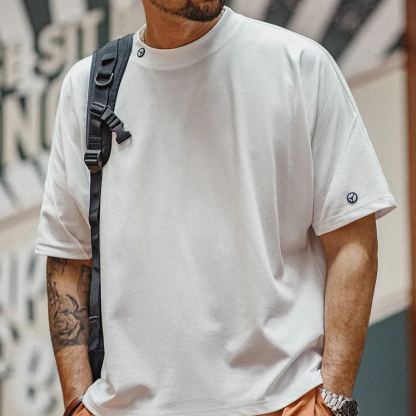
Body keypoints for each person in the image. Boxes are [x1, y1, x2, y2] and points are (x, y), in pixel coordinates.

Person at [34, 1, 398, 415]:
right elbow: (68, 257)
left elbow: (352, 240)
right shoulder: (88, 88)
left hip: (282, 402)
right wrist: (77, 403)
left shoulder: (298, 66)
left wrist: (332, 401)